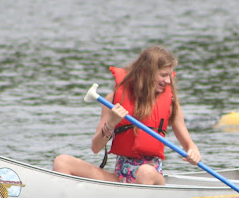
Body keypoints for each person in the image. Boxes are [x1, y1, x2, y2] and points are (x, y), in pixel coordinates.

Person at [53, 45, 201, 185]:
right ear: (145, 72)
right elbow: (95, 148)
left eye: (169, 76)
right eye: (163, 75)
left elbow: (190, 145)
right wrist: (111, 123)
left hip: (151, 177)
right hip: (119, 178)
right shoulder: (113, 101)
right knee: (62, 162)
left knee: (144, 172)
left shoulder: (170, 104)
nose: (168, 81)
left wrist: (194, 153)